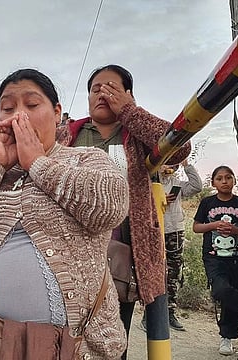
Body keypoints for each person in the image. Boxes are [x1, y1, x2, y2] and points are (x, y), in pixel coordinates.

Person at [0, 69, 129, 360]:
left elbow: (109, 206)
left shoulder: (86, 159)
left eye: (32, 105)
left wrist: (39, 164)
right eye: (7, 108)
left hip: (69, 344)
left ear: (57, 113)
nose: (19, 116)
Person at [62, 64, 191, 359]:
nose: (102, 94)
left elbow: (180, 146)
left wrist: (130, 112)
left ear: (129, 95)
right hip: (67, 251)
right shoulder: (68, 133)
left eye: (112, 88)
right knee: (66, 336)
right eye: (96, 89)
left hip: (118, 254)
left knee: (111, 337)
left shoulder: (136, 134)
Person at [193, 165, 238, 356]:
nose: (224, 181)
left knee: (231, 298)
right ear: (213, 182)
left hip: (236, 258)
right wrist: (213, 225)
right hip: (213, 257)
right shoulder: (207, 203)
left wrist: (235, 231)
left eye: (228, 178)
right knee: (221, 289)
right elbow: (196, 227)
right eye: (219, 178)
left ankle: (227, 338)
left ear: (234, 181)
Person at [141, 158, 202, 331]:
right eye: (166, 163)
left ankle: (170, 312)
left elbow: (197, 186)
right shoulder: (148, 182)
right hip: (154, 230)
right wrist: (158, 199)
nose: (169, 167)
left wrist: (186, 164)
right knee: (154, 272)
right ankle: (149, 314)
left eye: (173, 165)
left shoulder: (177, 184)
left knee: (173, 272)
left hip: (174, 230)